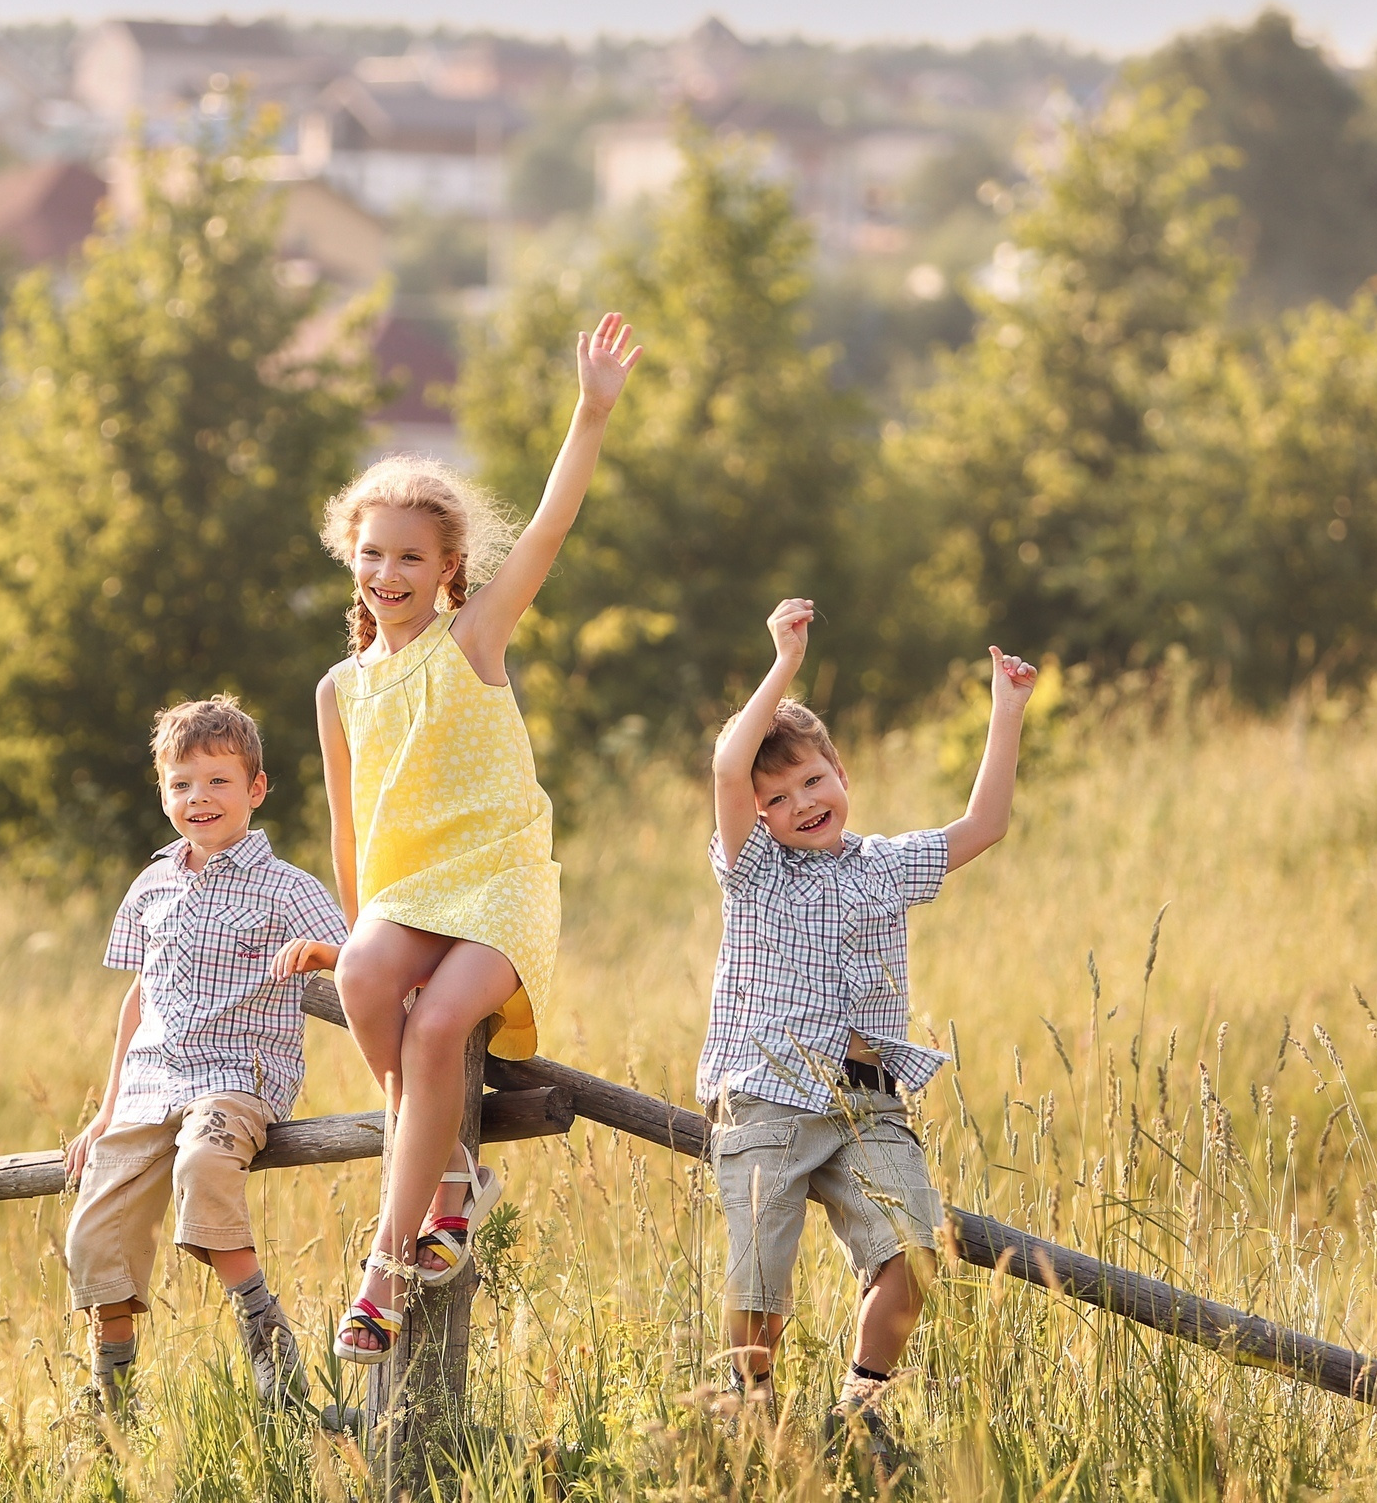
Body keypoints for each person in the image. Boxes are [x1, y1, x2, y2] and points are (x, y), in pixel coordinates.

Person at [271, 312, 644, 1363]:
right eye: (371, 553)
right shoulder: (339, 689)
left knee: (437, 1027)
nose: (387, 572)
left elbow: (551, 531)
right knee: (364, 979)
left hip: (497, 883)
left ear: (447, 569)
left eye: (410, 557)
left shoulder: (471, 639)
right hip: (408, 894)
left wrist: (591, 410)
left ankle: (383, 1272)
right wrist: (355, 932)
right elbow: (350, 829)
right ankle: (451, 1178)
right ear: (350, 559)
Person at [700, 597, 1036, 1421]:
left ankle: (860, 1406)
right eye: (778, 797)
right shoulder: (756, 870)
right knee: (759, 1274)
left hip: (868, 1098)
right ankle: (750, 1410)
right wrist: (784, 663)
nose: (802, 802)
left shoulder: (885, 865)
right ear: (758, 816)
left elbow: (985, 823)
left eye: (813, 780)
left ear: (841, 772)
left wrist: (1007, 708)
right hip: (771, 1094)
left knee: (914, 1248)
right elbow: (727, 768)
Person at [63, 697, 347, 1411]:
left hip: (236, 1078)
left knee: (203, 1165)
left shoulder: (287, 887)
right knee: (94, 1229)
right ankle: (112, 1402)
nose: (200, 798)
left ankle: (265, 1338)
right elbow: (139, 997)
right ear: (164, 794)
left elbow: (360, 959)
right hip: (150, 1083)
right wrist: (106, 1111)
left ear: (256, 789)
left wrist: (321, 954)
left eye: (219, 781)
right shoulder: (152, 885)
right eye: (182, 784)